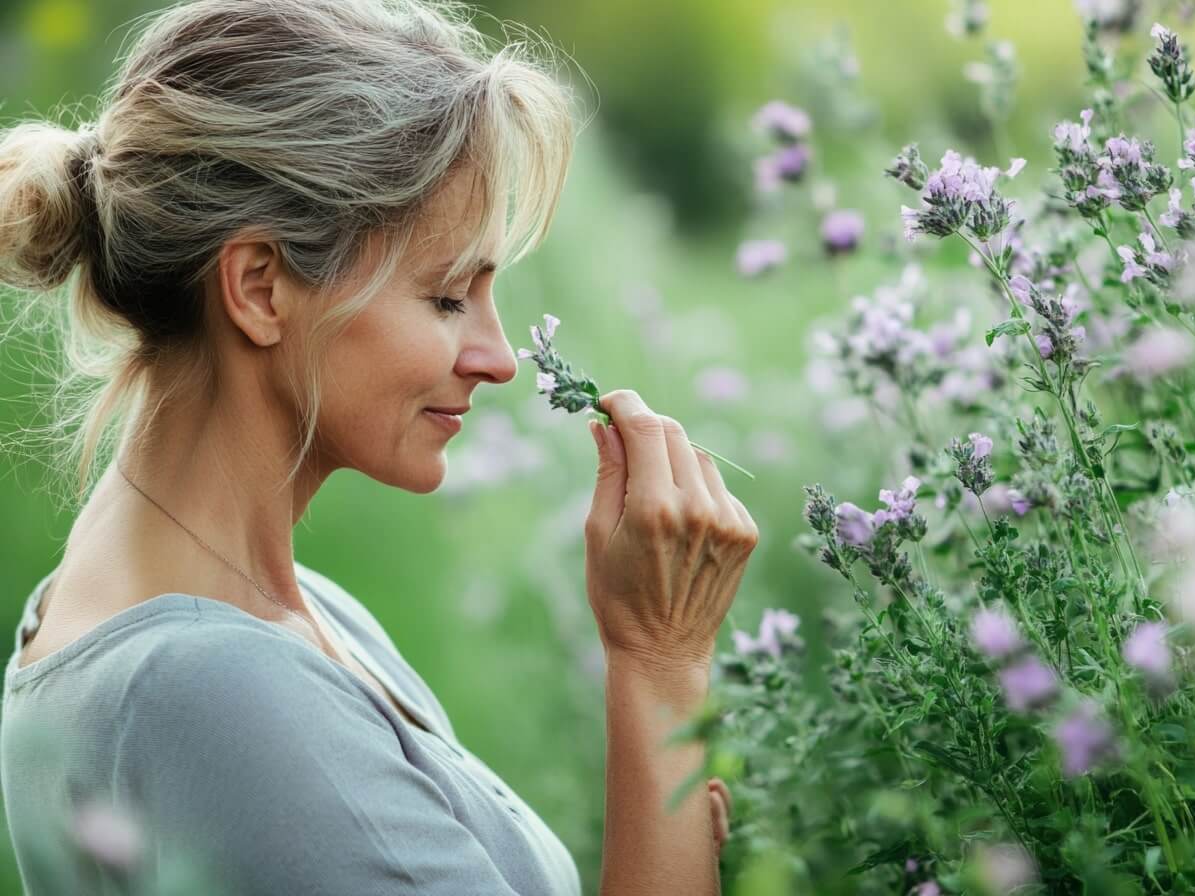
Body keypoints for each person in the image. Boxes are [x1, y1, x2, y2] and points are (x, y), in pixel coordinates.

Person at [0, 1, 755, 893]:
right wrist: (659, 662)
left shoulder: (264, 611)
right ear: (260, 288)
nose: (500, 359)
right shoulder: (223, 692)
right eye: (447, 297)